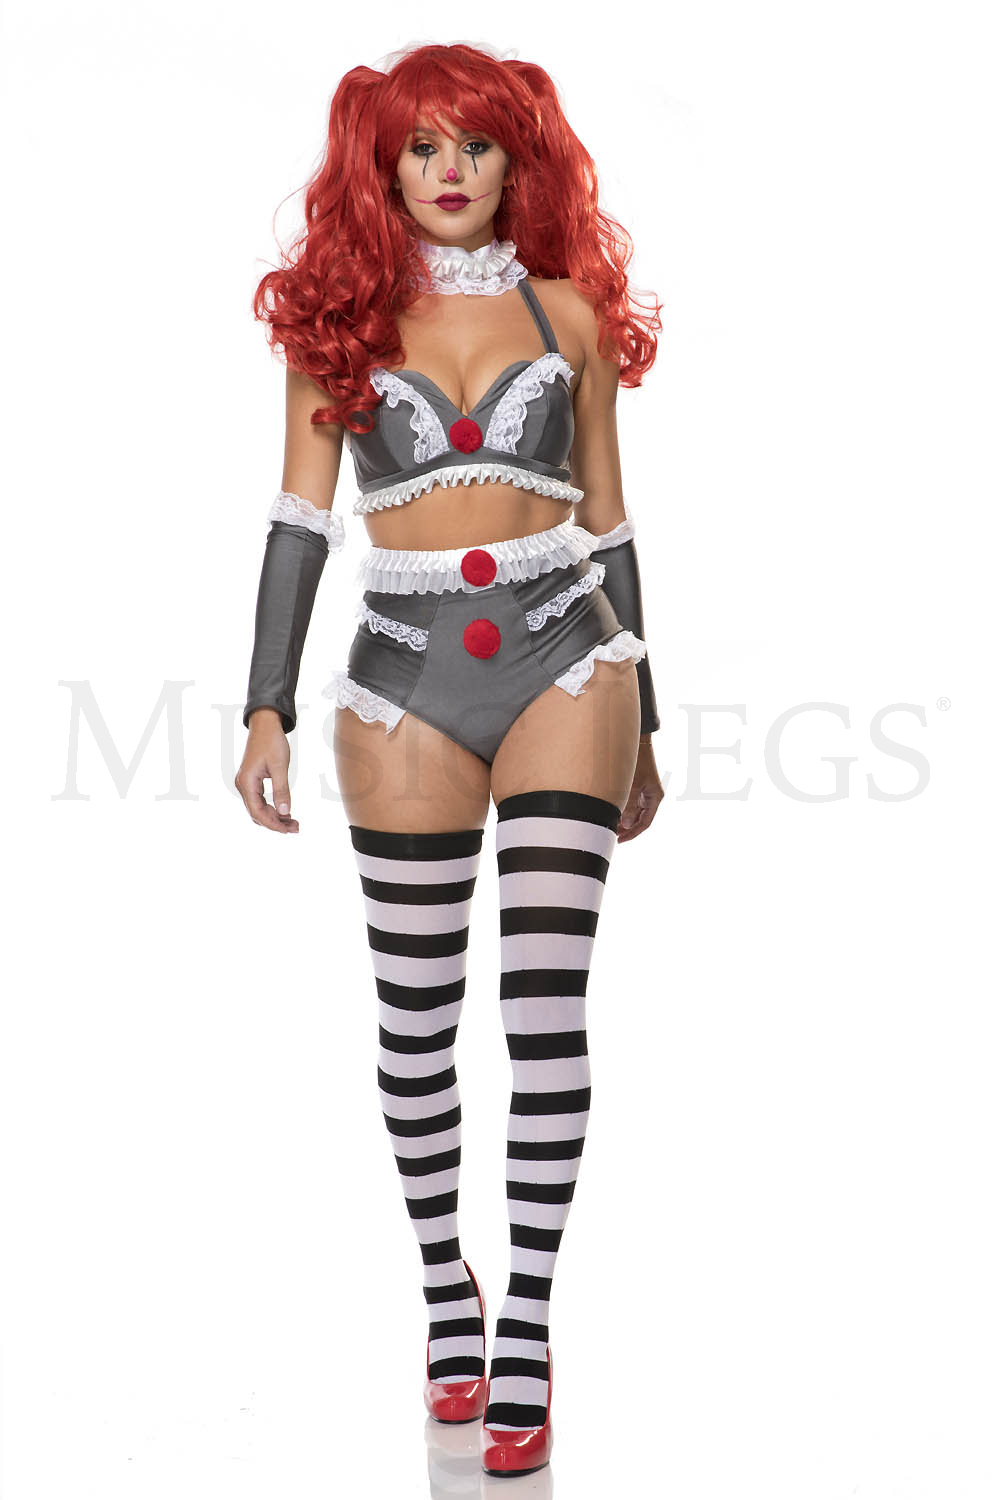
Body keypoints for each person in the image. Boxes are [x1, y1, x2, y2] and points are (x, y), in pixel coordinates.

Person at [234, 40, 665, 1479]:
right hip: (399, 684)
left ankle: (526, 1316)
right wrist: (264, 706)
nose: (451, 170)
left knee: (545, 1010)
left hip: (571, 665)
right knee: (417, 1022)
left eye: (476, 144)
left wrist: (651, 720)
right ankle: (445, 1290)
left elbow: (609, 522)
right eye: (422, 146)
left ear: (515, 161)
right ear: (384, 165)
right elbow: (300, 521)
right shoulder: (342, 323)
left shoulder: (570, 315)